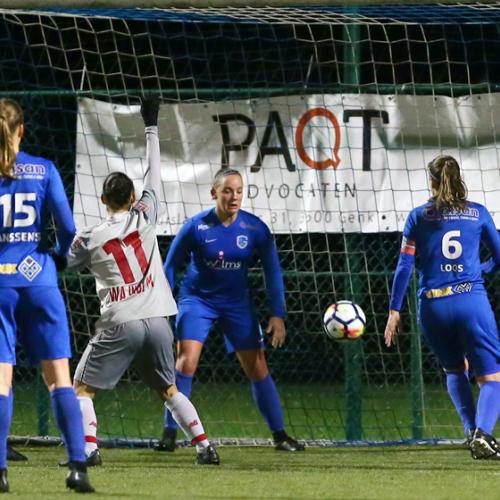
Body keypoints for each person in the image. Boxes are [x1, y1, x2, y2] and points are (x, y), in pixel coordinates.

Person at [64, 98, 219, 467]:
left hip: (122, 321)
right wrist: (151, 126)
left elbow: (65, 262)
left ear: (103, 200)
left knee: (81, 388)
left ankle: (88, 450)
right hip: (160, 321)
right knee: (169, 389)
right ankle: (204, 446)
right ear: (132, 198)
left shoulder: (90, 237)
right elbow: (153, 173)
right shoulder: (145, 216)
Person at [156, 167, 304, 453]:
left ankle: (280, 435)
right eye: (227, 190)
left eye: (238, 191)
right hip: (197, 300)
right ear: (214, 193)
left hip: (237, 303)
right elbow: (170, 267)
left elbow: (273, 272)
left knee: (257, 366)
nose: (233, 196)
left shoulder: (255, 229)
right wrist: (161, 305)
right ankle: (169, 434)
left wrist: (278, 314)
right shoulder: (195, 227)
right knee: (186, 362)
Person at [0, 98, 94, 493]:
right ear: (22, 130)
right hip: (39, 279)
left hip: (0, 284)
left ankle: (1, 473)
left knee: (0, 382)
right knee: (60, 378)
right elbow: (69, 232)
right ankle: (77, 468)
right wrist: (53, 259)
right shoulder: (44, 169)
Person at [385, 155, 500, 460]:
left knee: (454, 369)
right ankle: (482, 433)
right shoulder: (478, 214)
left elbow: (405, 266)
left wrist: (394, 311)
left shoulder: (418, 217)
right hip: (469, 300)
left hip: (432, 306)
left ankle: (470, 431)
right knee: (492, 378)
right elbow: (499, 257)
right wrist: (482, 270)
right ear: (459, 179)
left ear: (432, 182)